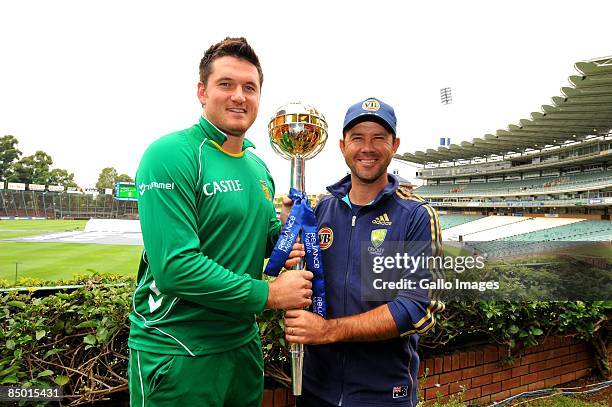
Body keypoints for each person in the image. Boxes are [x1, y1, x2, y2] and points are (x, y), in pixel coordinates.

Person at [127, 37, 313, 407]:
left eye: (250, 87)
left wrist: (290, 230)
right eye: (225, 84)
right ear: (202, 91)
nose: (239, 96)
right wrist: (271, 294)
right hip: (178, 350)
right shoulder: (170, 154)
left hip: (242, 348)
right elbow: (176, 268)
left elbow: (264, 244)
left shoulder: (258, 166)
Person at [285, 97, 445, 407]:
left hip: (383, 394)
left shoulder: (415, 215)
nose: (367, 148)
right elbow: (304, 281)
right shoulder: (321, 210)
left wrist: (328, 331)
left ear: (394, 144)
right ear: (343, 145)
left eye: (378, 138)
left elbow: (417, 309)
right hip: (315, 388)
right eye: (358, 138)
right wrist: (290, 236)